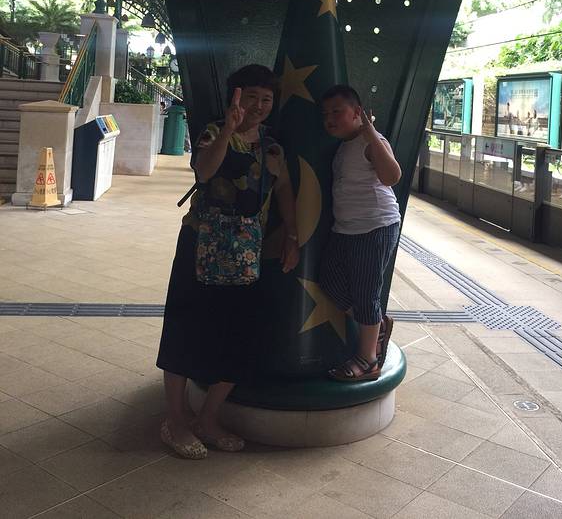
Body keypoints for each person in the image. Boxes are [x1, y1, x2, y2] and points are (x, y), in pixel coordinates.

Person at [156, 64, 300, 459]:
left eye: (266, 99)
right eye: (251, 96)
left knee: (239, 333)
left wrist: (292, 236)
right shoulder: (213, 132)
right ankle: (175, 420)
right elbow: (204, 171)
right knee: (185, 328)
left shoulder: (273, 147)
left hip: (247, 252)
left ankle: (208, 418)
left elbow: (284, 190)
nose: (259, 105)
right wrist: (228, 131)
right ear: (235, 97)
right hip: (200, 243)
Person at [319, 84, 402, 382]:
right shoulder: (344, 145)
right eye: (325, 114)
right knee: (329, 281)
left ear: (357, 112)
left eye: (337, 111)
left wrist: (371, 134)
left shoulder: (372, 141)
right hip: (346, 228)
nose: (330, 118)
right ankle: (376, 324)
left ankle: (368, 361)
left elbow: (392, 176)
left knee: (366, 294)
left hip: (375, 226)